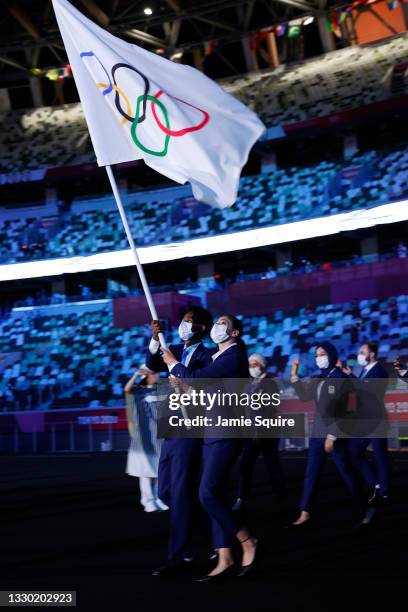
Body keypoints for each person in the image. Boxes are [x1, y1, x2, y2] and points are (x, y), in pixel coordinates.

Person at [162, 314, 258, 582]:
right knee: (214, 492)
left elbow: (196, 378)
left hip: (227, 432)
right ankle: (224, 557)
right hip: (212, 431)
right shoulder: (219, 357)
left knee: (207, 494)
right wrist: (182, 385)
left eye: (224, 324)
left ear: (235, 333)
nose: (218, 326)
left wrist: (174, 366)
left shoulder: (233, 356)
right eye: (217, 322)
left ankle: (247, 541)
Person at [147, 307, 213, 577]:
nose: (185, 325)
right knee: (165, 492)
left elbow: (201, 386)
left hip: (190, 427)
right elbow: (152, 366)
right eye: (184, 321)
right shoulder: (170, 346)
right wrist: (154, 340)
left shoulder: (207, 356)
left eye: (191, 323)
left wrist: (180, 373)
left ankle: (180, 555)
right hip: (171, 427)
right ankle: (214, 533)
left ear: (202, 329)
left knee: (182, 493)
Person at [290, 341, 360, 527]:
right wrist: (294, 376)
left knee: (346, 471)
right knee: (311, 474)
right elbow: (305, 397)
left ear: (331, 355)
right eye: (317, 355)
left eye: (322, 354)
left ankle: (363, 506)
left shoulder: (340, 378)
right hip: (317, 434)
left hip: (335, 436)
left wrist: (333, 435)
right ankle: (305, 511)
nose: (319, 358)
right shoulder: (318, 378)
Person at [232, 353, 286, 511]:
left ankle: (281, 497)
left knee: (272, 465)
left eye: (255, 364)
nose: (252, 367)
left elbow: (269, 410)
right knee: (245, 465)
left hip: (267, 432)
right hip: (250, 432)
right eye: (250, 364)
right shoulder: (248, 383)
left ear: (262, 366)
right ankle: (241, 498)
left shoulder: (271, 384)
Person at [343, 342, 389, 521]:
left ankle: (384, 493)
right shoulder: (364, 371)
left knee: (380, 457)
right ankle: (375, 484)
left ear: (373, 354)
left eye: (362, 352)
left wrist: (351, 376)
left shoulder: (380, 372)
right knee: (354, 452)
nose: (359, 355)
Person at [124, 366, 167, 513]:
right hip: (144, 437)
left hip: (160, 436)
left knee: (158, 470)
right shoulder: (138, 391)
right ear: (147, 375)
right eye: (155, 372)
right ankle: (148, 501)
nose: (158, 375)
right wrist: (136, 374)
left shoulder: (162, 389)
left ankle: (158, 498)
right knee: (146, 471)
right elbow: (127, 390)